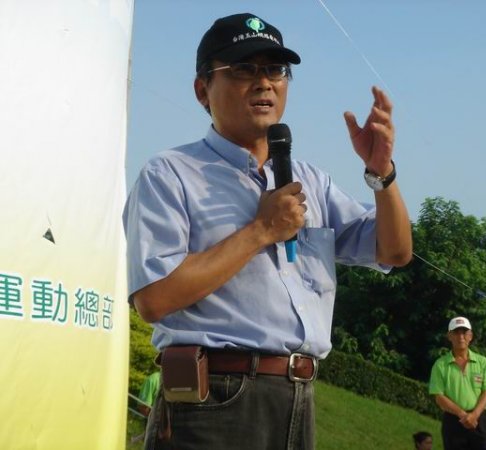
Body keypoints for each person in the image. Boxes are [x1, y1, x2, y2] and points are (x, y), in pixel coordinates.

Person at [123, 12, 412, 450]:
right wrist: (261, 230)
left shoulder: (312, 181)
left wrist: (382, 174)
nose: (264, 83)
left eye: (275, 70)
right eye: (243, 69)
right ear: (202, 90)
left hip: (298, 396)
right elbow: (153, 298)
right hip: (214, 400)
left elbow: (394, 252)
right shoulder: (170, 174)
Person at [428, 317, 486, 450]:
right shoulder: (440, 365)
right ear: (449, 336)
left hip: (479, 420)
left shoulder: (482, 362)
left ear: (470, 336)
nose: (461, 337)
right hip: (453, 421)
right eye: (456, 333)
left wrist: (474, 415)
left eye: (464, 332)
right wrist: (463, 415)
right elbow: (439, 397)